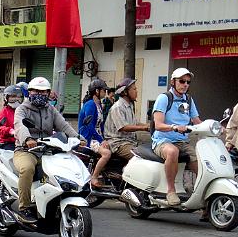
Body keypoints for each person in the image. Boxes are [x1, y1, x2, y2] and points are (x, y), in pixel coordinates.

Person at [12, 77, 77, 222]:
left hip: (48, 151)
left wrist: (78, 137)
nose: (39, 94)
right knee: (27, 169)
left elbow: (63, 126)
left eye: (43, 92)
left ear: (48, 93)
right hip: (26, 150)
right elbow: (20, 125)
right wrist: (28, 139)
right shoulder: (22, 109)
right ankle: (24, 208)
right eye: (36, 91)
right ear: (30, 92)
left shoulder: (51, 110)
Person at [150, 68, 202, 207]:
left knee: (201, 161)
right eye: (182, 81)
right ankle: (171, 191)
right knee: (173, 152)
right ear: (173, 82)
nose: (185, 84)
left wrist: (214, 127)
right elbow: (158, 125)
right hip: (162, 140)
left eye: (188, 82)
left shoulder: (188, 99)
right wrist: (174, 127)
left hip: (182, 141)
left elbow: (197, 121)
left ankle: (203, 195)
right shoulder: (164, 98)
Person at [91, 78, 149, 188]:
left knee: (148, 151)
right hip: (118, 143)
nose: (137, 91)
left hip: (129, 141)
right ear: (125, 92)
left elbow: (134, 123)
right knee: (139, 157)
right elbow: (123, 127)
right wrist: (144, 128)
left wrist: (148, 126)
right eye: (134, 89)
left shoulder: (129, 106)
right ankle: (125, 176)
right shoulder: (118, 107)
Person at [78, 78, 109, 147]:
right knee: (106, 152)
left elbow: (100, 124)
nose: (105, 92)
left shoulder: (98, 104)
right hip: (88, 139)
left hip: (97, 138)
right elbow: (89, 125)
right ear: (97, 91)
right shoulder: (90, 104)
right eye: (104, 90)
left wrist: (104, 138)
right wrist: (101, 140)